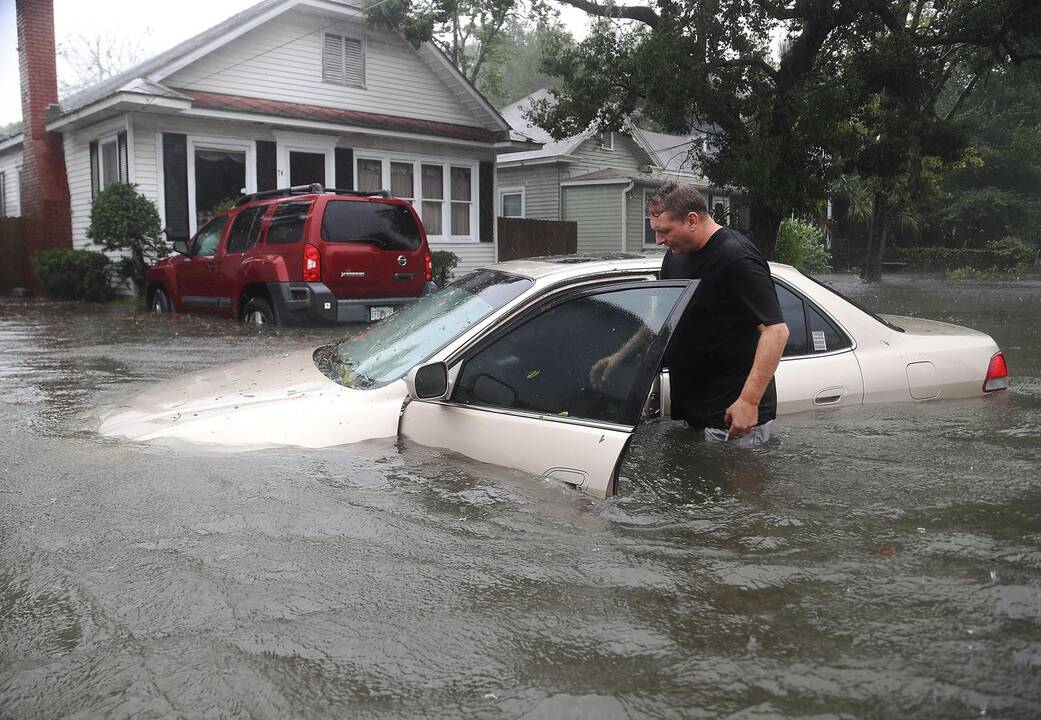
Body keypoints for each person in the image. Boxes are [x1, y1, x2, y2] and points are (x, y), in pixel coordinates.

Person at [591, 183, 789, 446]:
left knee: (739, 484)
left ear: (692, 220)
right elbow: (662, 316)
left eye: (664, 231)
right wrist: (620, 356)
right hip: (694, 410)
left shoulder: (737, 258)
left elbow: (776, 331)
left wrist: (749, 401)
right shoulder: (675, 257)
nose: (659, 240)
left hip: (733, 415)